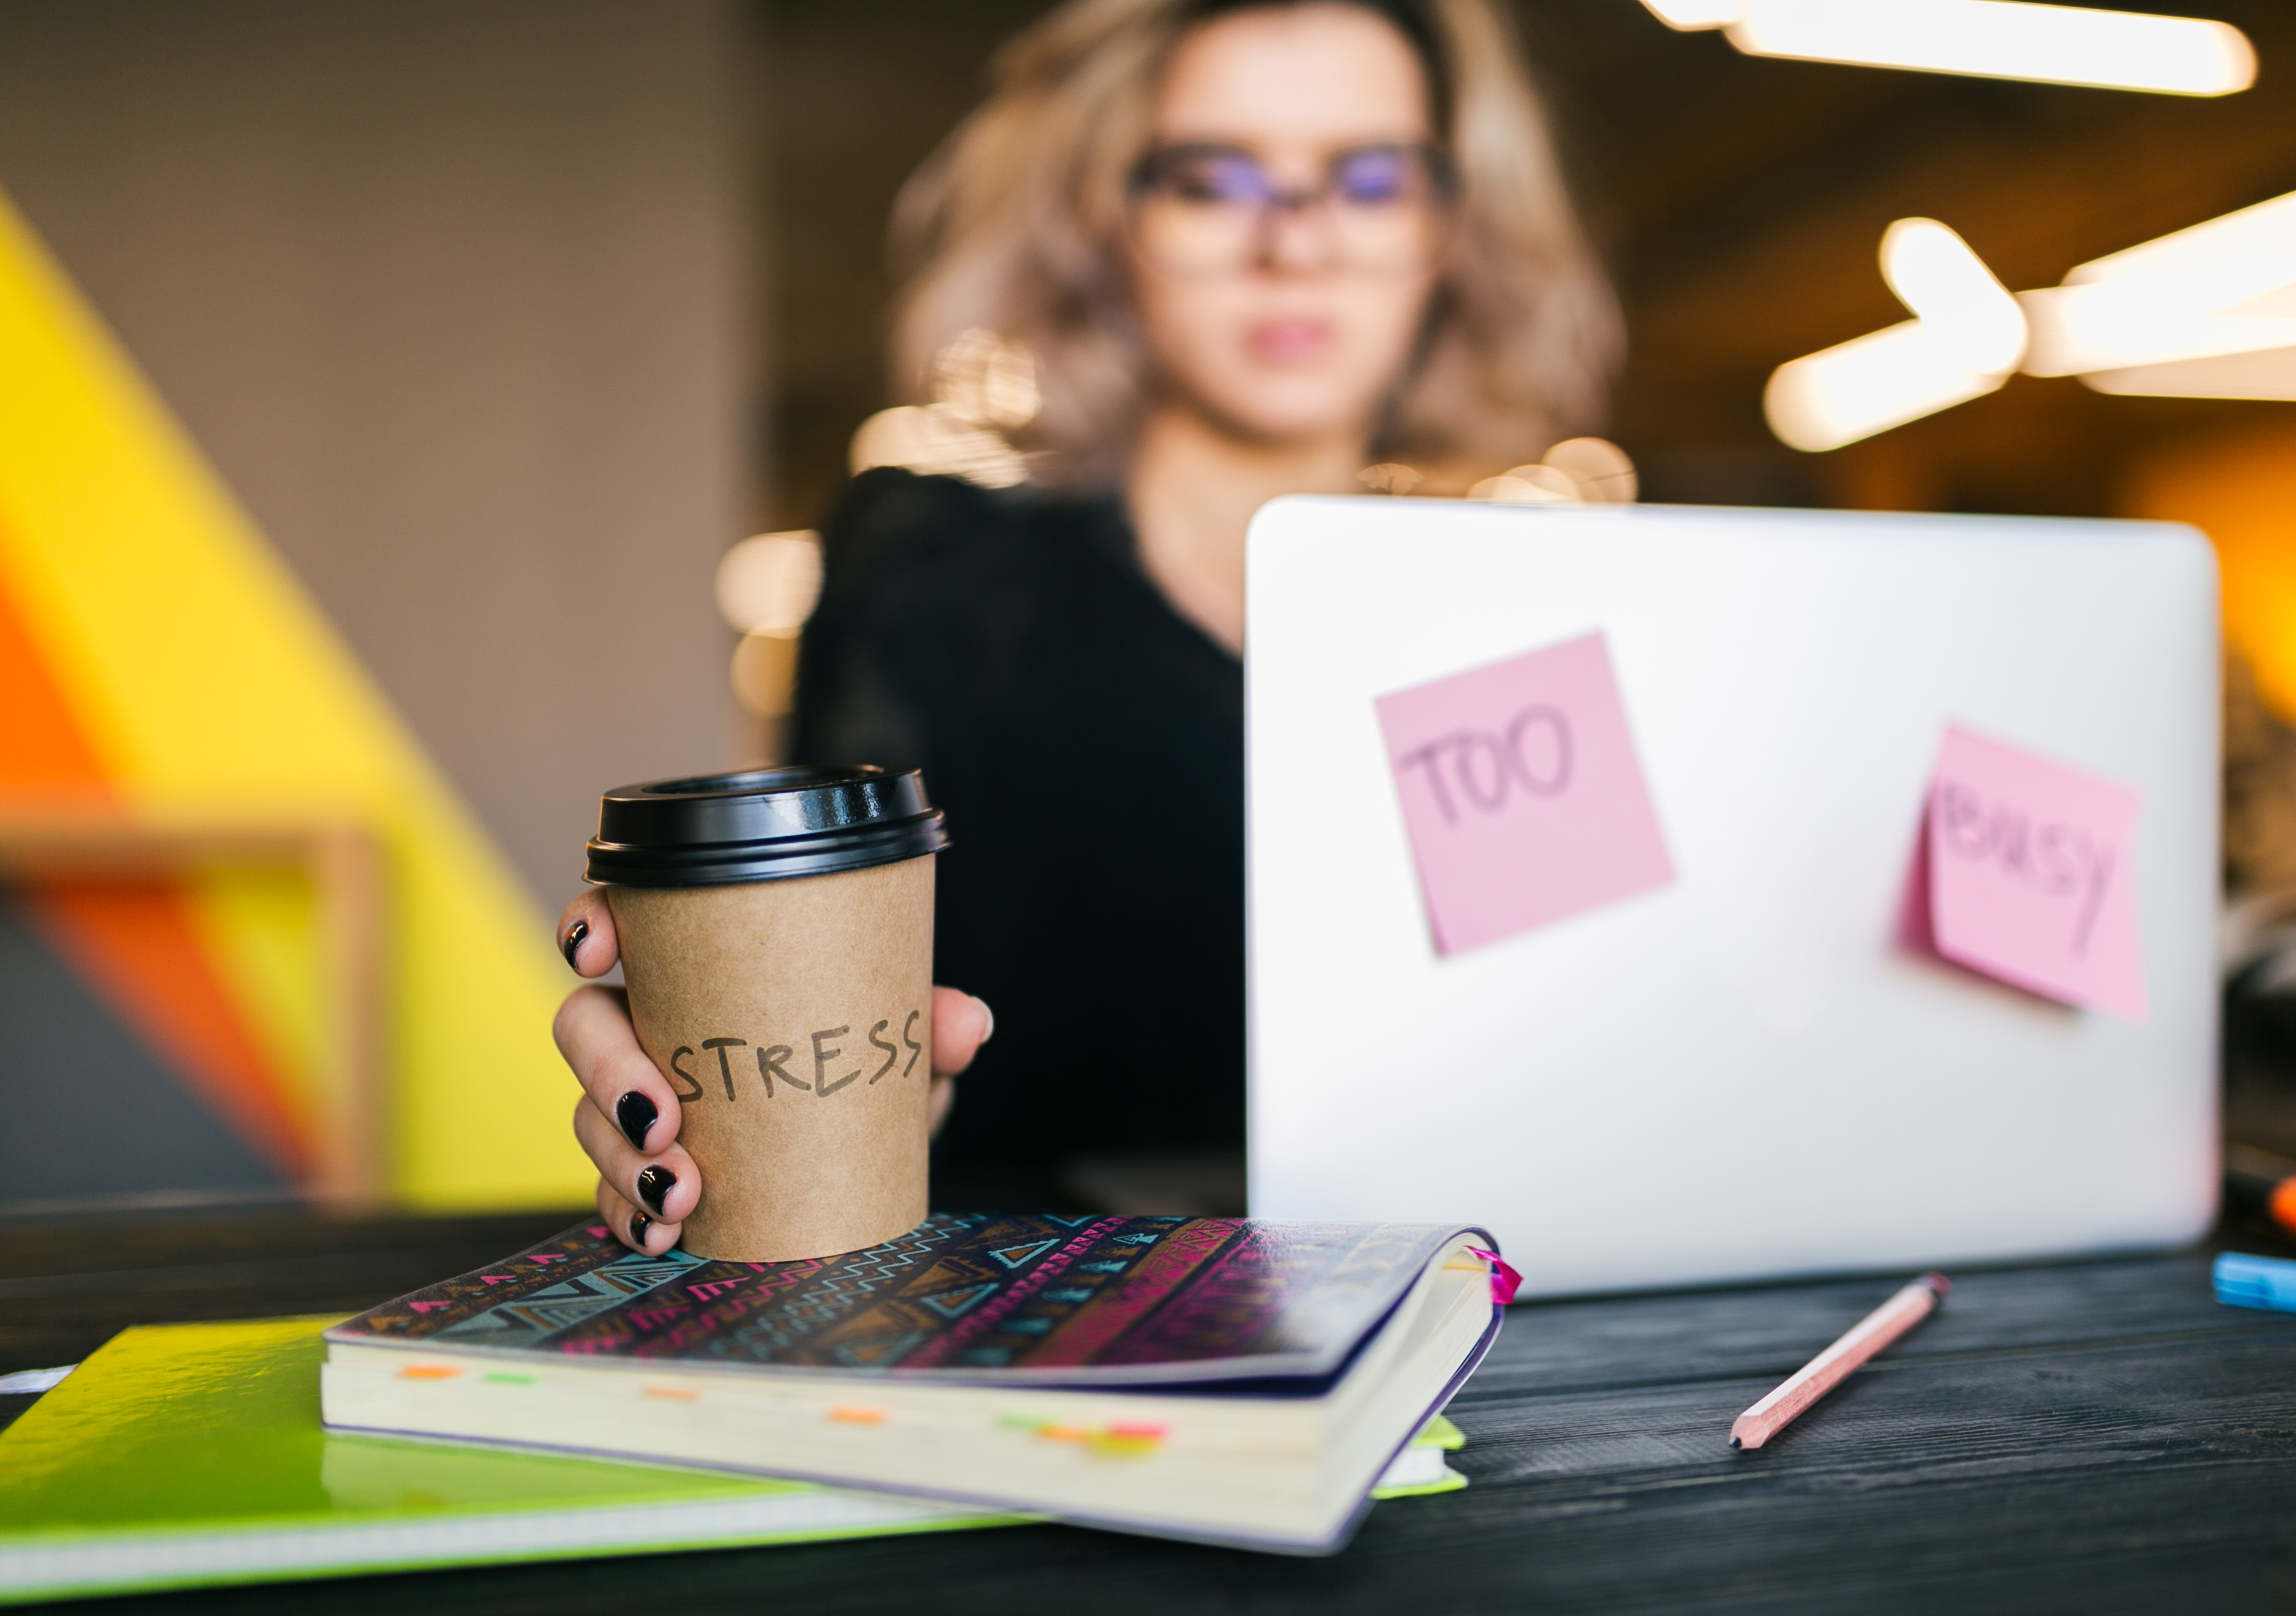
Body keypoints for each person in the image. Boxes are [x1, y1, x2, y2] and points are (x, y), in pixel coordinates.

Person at [554, 0, 1620, 1252]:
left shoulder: (1506, 623)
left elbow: (1568, 1066)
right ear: (1108, 224)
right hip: (1018, 1338)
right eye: (1213, 180)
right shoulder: (937, 575)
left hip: (1456, 1321)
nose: (1298, 245)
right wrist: (765, 1052)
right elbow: (850, 1005)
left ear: (1452, 226)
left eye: (1372, 178)